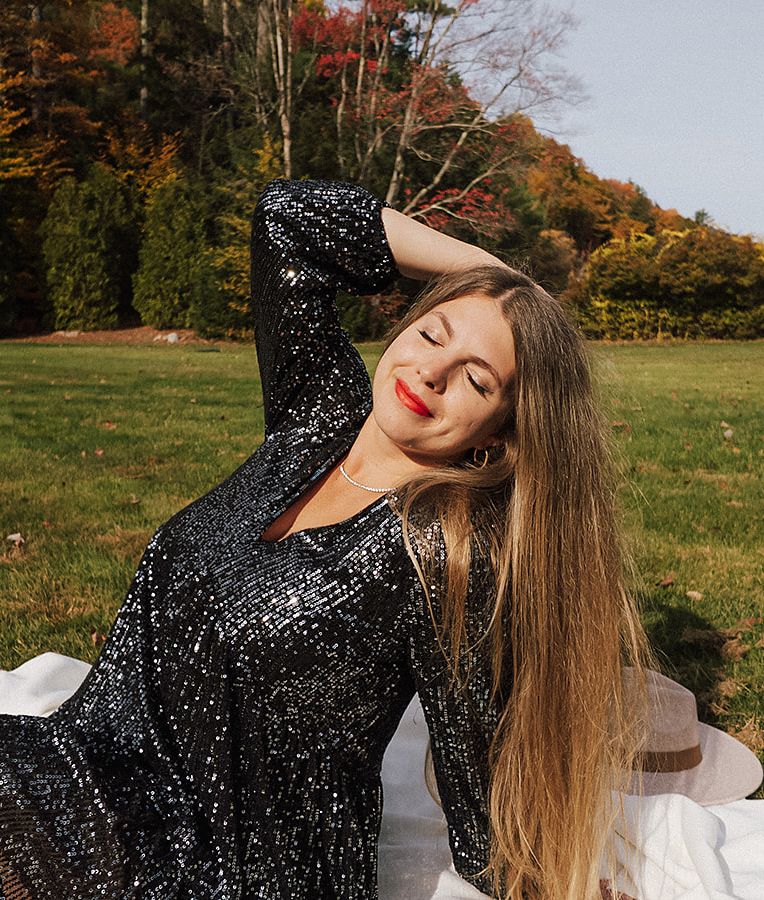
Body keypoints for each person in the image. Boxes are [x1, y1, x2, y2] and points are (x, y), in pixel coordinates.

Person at [0, 178, 652, 899]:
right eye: (433, 334)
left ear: (500, 430)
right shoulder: (318, 418)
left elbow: (480, 772)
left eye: (475, 379)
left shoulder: (440, 544)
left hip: (226, 863)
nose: (430, 372)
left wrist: (544, 880)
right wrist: (502, 279)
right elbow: (288, 220)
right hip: (90, 763)